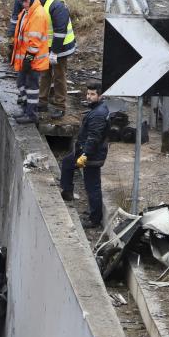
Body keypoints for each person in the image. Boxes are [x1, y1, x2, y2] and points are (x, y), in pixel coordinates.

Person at [60, 82, 109, 229]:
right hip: (87, 152)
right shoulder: (97, 110)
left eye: (92, 94)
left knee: (92, 186)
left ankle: (95, 219)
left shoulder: (98, 114)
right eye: (88, 93)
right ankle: (67, 191)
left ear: (100, 96)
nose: (89, 97)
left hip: (92, 155)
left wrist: (85, 155)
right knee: (67, 163)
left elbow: (93, 137)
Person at [12, 0, 51, 124]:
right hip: (27, 59)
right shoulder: (27, 12)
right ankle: (26, 110)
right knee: (21, 83)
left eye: (26, 1)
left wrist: (28, 59)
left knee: (31, 87)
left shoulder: (38, 14)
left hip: (33, 60)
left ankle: (31, 114)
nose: (24, 4)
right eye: (22, 2)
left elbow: (35, 41)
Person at [38, 0, 76, 120]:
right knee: (45, 73)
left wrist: (54, 52)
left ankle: (60, 106)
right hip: (47, 46)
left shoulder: (57, 4)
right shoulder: (43, 1)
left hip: (61, 47)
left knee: (59, 76)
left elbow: (60, 31)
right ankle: (42, 101)